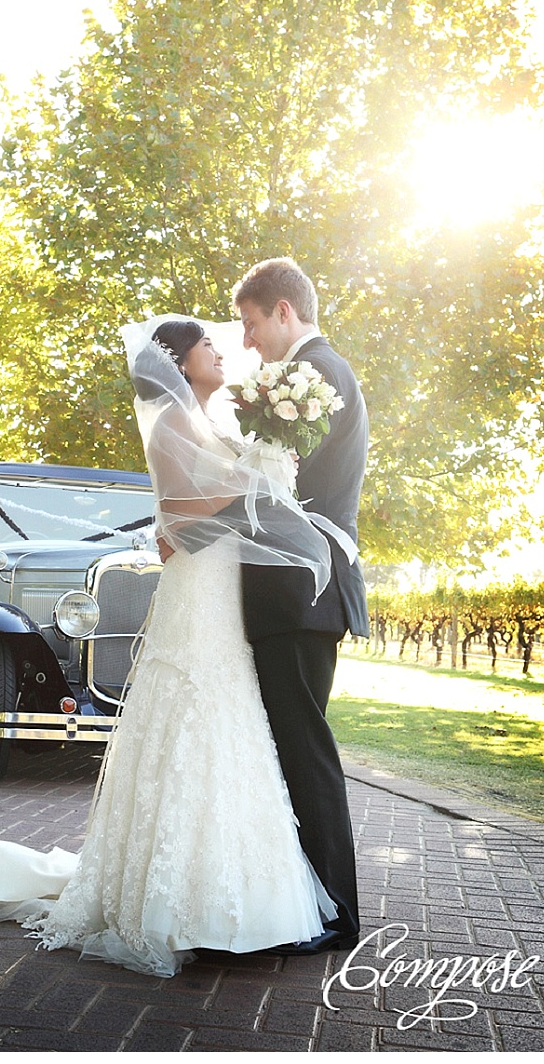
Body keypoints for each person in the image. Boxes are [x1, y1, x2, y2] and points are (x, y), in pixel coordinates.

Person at [0, 316, 350, 977]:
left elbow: (183, 520)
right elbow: (184, 511)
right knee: (192, 719)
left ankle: (232, 890)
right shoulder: (170, 422)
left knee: (226, 725)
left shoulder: (215, 424)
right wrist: (258, 474)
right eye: (208, 346)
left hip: (217, 592)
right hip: (199, 591)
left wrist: (264, 462)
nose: (221, 349)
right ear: (181, 363)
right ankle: (176, 901)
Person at [233, 256, 368, 954]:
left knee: (305, 750)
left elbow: (278, 495)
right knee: (291, 748)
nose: (247, 341)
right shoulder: (311, 374)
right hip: (294, 595)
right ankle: (306, 899)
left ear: (284, 311)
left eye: (253, 324)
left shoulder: (317, 376)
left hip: (301, 594)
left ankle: (336, 913)